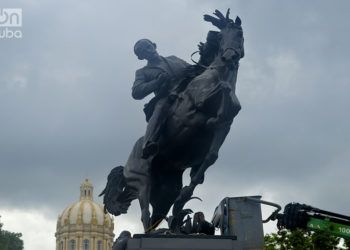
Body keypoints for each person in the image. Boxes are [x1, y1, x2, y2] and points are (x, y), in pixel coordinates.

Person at [132, 39, 190, 158]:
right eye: (143, 52)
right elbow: (136, 92)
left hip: (188, 91)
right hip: (168, 97)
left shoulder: (174, 59)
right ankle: (148, 143)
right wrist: (157, 82)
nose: (148, 51)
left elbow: (192, 70)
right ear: (141, 57)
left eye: (148, 47)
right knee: (160, 108)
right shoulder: (142, 72)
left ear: (154, 45)